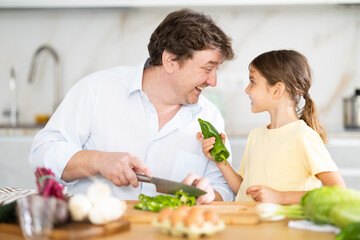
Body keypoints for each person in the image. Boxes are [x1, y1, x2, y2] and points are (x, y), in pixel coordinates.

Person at [29, 9, 235, 204]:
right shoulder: (97, 89)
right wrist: (98, 161)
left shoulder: (210, 116)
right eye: (208, 68)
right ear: (170, 60)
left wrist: (208, 193)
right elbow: (42, 155)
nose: (213, 81)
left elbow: (225, 190)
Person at [197, 49, 346, 204]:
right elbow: (243, 189)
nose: (247, 89)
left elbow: (337, 192)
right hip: (252, 223)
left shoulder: (303, 136)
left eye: (253, 82)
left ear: (277, 90)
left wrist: (280, 197)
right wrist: (220, 160)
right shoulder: (256, 135)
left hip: (287, 227)